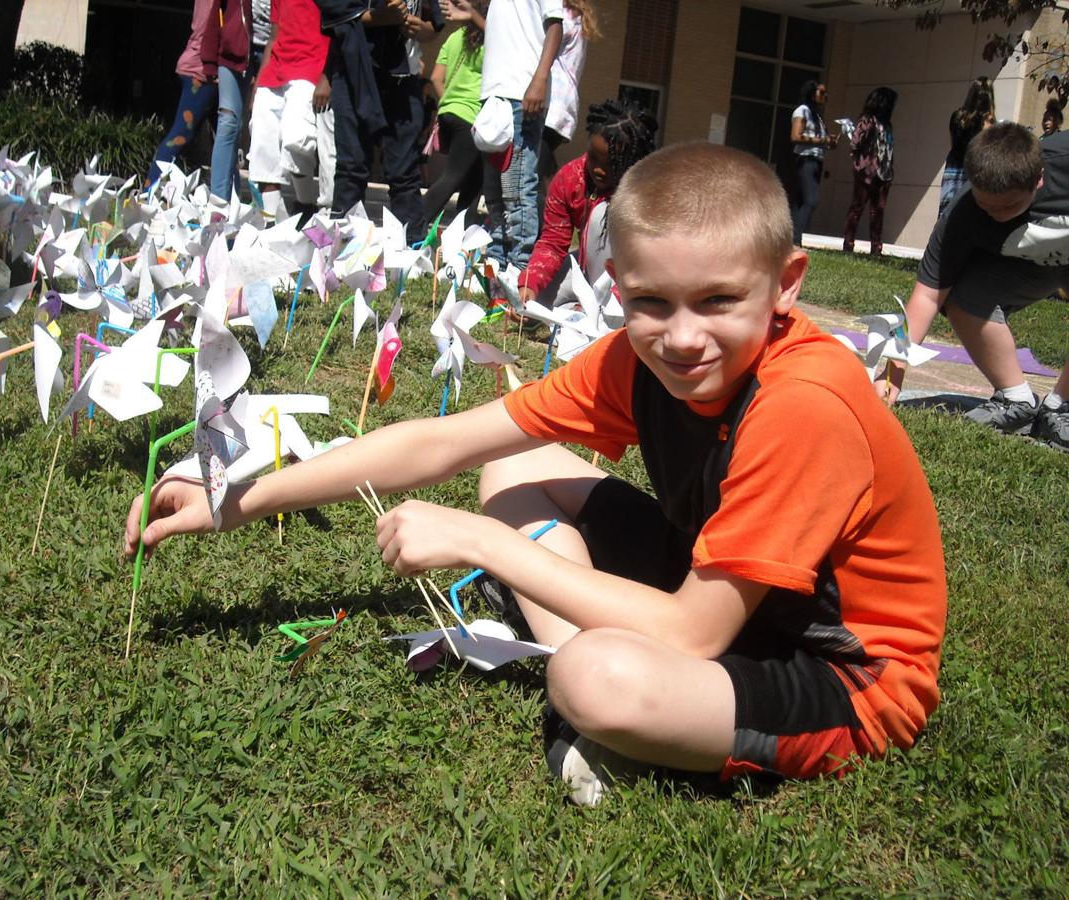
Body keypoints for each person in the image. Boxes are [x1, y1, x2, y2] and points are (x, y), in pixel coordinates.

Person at [125, 141, 948, 807]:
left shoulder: (804, 403)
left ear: (786, 286)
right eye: (651, 303)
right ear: (617, 287)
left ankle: (598, 705)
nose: (682, 336)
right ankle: (604, 706)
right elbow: (446, 443)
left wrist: (486, 542)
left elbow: (695, 635)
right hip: (729, 581)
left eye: (718, 301)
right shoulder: (634, 360)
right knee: (516, 459)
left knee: (592, 675)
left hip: (840, 669)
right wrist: (241, 496)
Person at [877, 122, 1069, 451]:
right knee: (962, 295)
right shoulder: (963, 214)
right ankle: (1016, 401)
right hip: (1026, 266)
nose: (993, 214)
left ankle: (1060, 407)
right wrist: (893, 373)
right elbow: (925, 297)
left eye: (1007, 206)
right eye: (985, 205)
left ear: (1038, 179)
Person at [443, 0, 564, 270]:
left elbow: (556, 27)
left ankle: (521, 265)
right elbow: (509, 38)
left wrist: (540, 79)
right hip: (494, 97)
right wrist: (474, 16)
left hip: (522, 95)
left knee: (517, 186)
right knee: (494, 189)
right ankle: (498, 258)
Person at [321, 0, 444, 243]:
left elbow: (432, 25)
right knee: (352, 165)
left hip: (403, 80)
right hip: (354, 74)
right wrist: (379, 17)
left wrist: (420, 29)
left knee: (404, 171)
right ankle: (343, 249)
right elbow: (335, 11)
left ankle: (410, 251)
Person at [518, 98, 657, 306]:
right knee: (535, 304)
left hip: (632, 281)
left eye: (611, 163)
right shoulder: (569, 178)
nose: (598, 170)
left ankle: (599, 308)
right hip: (585, 270)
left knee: (602, 214)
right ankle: (580, 305)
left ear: (632, 159)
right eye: (593, 158)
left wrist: (610, 300)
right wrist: (530, 283)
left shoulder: (645, 193)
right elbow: (552, 243)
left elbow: (646, 262)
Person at [247, 0, 336, 220]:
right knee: (261, 143)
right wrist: (258, 83)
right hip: (274, 69)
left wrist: (327, 75)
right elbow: (274, 35)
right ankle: (269, 220)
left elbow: (339, 29)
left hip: (311, 67)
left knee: (296, 140)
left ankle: (304, 205)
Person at [418, 0, 487, 233]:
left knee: (475, 179)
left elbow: (436, 78)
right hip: (473, 116)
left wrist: (450, 100)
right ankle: (413, 227)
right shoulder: (493, 43)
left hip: (449, 112)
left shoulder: (455, 37)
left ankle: (462, 236)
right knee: (454, 177)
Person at [145, 0, 220, 190]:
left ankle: (225, 199)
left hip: (208, 68)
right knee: (181, 134)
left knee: (226, 142)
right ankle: (148, 193)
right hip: (203, 69)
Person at [537, 0, 598, 219]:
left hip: (552, 102)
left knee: (532, 173)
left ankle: (554, 225)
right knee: (545, 171)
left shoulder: (563, 16)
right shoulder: (578, 16)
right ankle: (569, 214)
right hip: (562, 104)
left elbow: (540, 40)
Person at [208, 0, 255, 202]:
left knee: (253, 126)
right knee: (228, 122)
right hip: (233, 54)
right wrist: (209, 61)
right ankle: (218, 201)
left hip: (273, 53)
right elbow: (213, 13)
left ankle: (264, 206)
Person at [842, 87, 897, 256]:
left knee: (878, 210)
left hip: (884, 173)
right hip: (866, 173)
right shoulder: (867, 121)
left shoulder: (887, 125)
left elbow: (888, 148)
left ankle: (876, 246)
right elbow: (855, 143)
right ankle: (849, 242)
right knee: (857, 208)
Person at [789, 80, 837, 245]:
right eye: (822, 93)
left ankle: (793, 239)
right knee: (811, 200)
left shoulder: (818, 117)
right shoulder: (802, 111)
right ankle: (795, 240)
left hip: (817, 161)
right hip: (805, 160)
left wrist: (829, 141)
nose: (825, 96)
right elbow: (795, 136)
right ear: (812, 93)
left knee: (801, 201)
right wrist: (821, 140)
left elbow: (822, 140)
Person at [939, 76, 994, 218]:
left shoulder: (957, 116)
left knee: (947, 211)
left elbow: (953, 143)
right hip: (974, 171)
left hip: (953, 166)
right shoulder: (989, 122)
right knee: (968, 215)